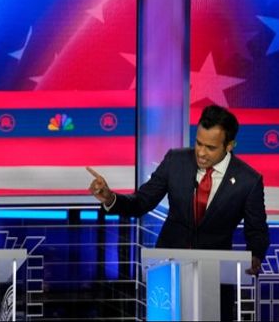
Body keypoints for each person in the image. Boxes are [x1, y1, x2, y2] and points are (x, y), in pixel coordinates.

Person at [86, 105, 269, 276]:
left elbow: (257, 230)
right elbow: (141, 202)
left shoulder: (248, 181)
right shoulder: (176, 161)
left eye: (210, 147)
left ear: (229, 146)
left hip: (214, 273)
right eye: (198, 143)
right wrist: (110, 198)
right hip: (168, 267)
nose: (201, 153)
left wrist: (255, 256)